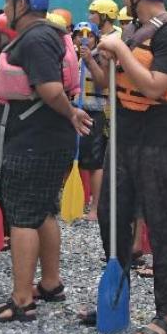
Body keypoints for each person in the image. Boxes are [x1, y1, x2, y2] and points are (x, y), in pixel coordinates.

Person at [80, 0, 167, 334]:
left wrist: (119, 48)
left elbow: (154, 86)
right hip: (126, 132)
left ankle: (166, 314)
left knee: (160, 221)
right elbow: (110, 82)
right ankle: (117, 295)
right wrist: (97, 57)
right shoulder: (131, 31)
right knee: (110, 213)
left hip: (162, 134)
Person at [0, 0, 91, 323]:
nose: (4, 9)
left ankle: (22, 299)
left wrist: (71, 113)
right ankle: (51, 284)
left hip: (33, 142)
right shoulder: (47, 34)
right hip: (44, 139)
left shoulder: (36, 39)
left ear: (22, 5)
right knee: (43, 212)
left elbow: (50, 88)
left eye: (7, 2)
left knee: (23, 216)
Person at [74, 23, 108, 222]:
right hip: (76, 112)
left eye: (88, 36)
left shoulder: (100, 56)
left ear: (96, 39)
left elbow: (103, 82)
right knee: (77, 160)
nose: (83, 39)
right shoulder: (73, 56)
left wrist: (89, 60)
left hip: (94, 113)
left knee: (95, 162)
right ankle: (79, 202)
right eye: (79, 35)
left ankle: (96, 207)